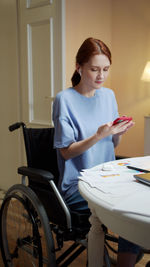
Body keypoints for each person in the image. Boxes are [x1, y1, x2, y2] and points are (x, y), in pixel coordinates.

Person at [52, 37, 140, 267]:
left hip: (108, 180)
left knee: (140, 206)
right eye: (94, 69)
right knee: (128, 210)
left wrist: (117, 133)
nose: (101, 75)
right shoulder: (65, 100)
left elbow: (112, 146)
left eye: (106, 69)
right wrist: (98, 135)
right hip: (78, 185)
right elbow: (66, 153)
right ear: (78, 67)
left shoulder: (108, 95)